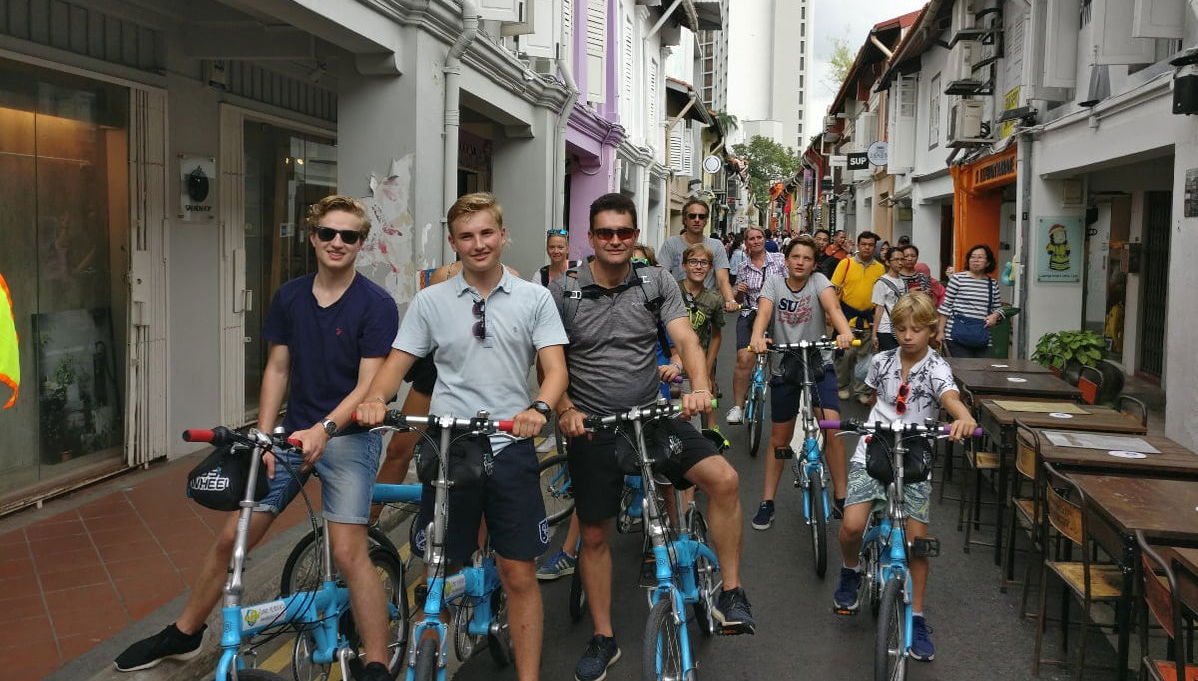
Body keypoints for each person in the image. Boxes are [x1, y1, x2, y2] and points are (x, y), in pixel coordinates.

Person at [114, 196, 400, 680]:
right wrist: (264, 439)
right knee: (234, 537)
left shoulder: (376, 304)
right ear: (312, 237)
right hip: (292, 438)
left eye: (349, 236)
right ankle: (185, 633)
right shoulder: (290, 296)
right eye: (328, 233)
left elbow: (368, 387)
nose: (337, 243)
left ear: (361, 244)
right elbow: (278, 367)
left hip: (348, 436)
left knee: (350, 552)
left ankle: (376, 661)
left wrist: (325, 429)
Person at [357, 192, 569, 681]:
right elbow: (396, 366)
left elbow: (555, 369)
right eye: (466, 236)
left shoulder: (534, 297)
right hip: (449, 446)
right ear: (453, 243)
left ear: (503, 235)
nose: (478, 244)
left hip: (510, 442)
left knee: (518, 573)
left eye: (487, 233)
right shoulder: (431, 301)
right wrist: (376, 399)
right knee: (440, 575)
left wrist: (539, 407)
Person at [551, 193, 754, 681]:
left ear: (636, 235)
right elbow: (549, 359)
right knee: (594, 534)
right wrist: (564, 408)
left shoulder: (656, 281)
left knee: (723, 479)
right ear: (591, 238)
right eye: (605, 233)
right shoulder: (564, 292)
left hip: (653, 416)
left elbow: (685, 337)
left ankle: (731, 592)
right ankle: (604, 638)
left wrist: (701, 387)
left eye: (624, 232)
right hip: (594, 424)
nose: (616, 240)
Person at [833, 291, 976, 663]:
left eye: (916, 329)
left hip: (915, 455)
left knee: (916, 544)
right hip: (875, 448)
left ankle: (917, 616)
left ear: (931, 330)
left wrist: (962, 416)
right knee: (851, 526)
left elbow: (949, 398)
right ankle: (850, 571)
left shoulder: (938, 368)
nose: (908, 336)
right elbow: (876, 398)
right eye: (900, 329)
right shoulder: (880, 362)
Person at [747, 235, 853, 530]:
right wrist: (758, 336)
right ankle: (767, 501)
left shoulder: (820, 281)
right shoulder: (774, 283)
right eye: (796, 257)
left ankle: (841, 497)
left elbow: (834, 310)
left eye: (807, 258)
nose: (801, 263)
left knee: (832, 427)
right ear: (786, 259)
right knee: (779, 440)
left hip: (818, 361)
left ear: (814, 263)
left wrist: (843, 332)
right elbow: (764, 313)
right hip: (784, 363)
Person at [725, 226, 786, 425]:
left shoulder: (779, 260)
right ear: (746, 242)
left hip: (777, 314)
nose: (756, 241)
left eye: (759, 237)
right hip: (750, 313)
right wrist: (739, 291)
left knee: (783, 362)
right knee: (744, 358)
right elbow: (739, 297)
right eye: (751, 238)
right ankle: (737, 407)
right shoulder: (743, 267)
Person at [656, 198, 738, 311]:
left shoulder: (716, 246)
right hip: (678, 307)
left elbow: (723, 280)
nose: (697, 219)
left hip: (706, 308)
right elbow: (661, 276)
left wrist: (730, 300)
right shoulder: (671, 244)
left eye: (701, 216)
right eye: (692, 216)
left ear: (706, 221)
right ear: (685, 219)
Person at [831, 231, 883, 404]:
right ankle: (842, 386)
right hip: (847, 318)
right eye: (864, 244)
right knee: (845, 355)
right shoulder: (846, 264)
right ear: (858, 246)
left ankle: (862, 390)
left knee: (865, 357)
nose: (867, 248)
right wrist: (832, 314)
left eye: (870, 245)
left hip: (868, 319)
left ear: (874, 248)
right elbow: (834, 289)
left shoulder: (880, 268)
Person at [937, 244, 1004, 359]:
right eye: (972, 257)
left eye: (980, 257)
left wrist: (995, 315)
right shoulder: (957, 279)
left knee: (984, 372)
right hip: (955, 335)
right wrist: (940, 331)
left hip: (982, 336)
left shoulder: (992, 284)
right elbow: (946, 306)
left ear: (988, 262)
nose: (975, 260)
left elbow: (998, 308)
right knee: (963, 372)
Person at [871, 246, 907, 353]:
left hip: (900, 327)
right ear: (887, 262)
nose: (900, 263)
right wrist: (874, 334)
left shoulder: (902, 281)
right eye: (896, 259)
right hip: (885, 328)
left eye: (902, 259)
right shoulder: (881, 282)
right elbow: (879, 308)